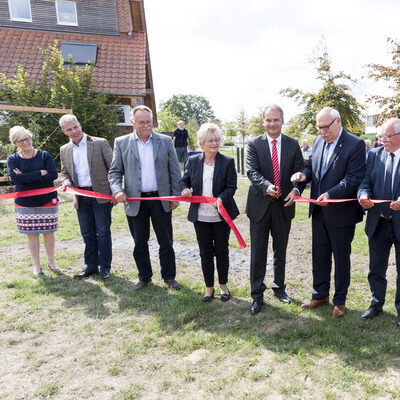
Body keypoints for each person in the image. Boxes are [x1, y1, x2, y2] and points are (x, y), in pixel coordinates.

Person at [292, 107, 365, 318]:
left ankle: (339, 301)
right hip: (318, 210)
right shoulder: (318, 141)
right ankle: (320, 294)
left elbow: (352, 178)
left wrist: (330, 194)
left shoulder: (355, 144)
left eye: (326, 127)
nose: (323, 132)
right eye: (319, 128)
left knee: (341, 258)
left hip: (341, 212)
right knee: (320, 254)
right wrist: (302, 174)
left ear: (338, 121)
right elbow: (312, 166)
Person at [358, 118, 400, 329]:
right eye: (381, 136)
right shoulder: (373, 155)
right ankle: (376, 303)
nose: (383, 140)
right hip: (378, 222)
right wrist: (363, 195)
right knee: (376, 268)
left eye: (387, 136)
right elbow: (365, 182)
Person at [108, 105, 182, 291]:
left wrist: (175, 195)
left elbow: (174, 170)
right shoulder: (121, 142)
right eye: (142, 122)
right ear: (133, 123)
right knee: (139, 242)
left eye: (149, 122)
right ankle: (144, 277)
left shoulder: (165, 141)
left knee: (165, 241)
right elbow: (115, 172)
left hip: (161, 199)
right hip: (135, 201)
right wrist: (117, 191)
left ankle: (169, 276)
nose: (146, 125)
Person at [245, 104, 304, 315]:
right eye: (268, 120)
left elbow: (301, 171)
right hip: (260, 206)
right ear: (263, 122)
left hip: (284, 206)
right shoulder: (253, 144)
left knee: (281, 250)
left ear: (282, 121)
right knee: (258, 252)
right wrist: (266, 186)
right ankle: (257, 294)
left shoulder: (292, 144)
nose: (272, 124)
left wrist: (297, 188)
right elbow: (251, 171)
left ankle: (279, 288)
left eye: (276, 120)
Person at [181, 123, 239, 302]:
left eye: (217, 140)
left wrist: (221, 198)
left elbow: (231, 187)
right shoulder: (192, 161)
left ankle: (223, 285)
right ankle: (209, 287)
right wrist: (185, 190)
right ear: (201, 143)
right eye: (210, 140)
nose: (214, 143)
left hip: (221, 216)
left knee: (222, 251)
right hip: (200, 216)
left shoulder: (228, 162)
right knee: (205, 252)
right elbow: (184, 181)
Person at [59, 114, 114, 280]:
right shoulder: (64, 150)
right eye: (69, 129)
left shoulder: (99, 143)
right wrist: (67, 183)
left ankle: (105, 267)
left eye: (75, 127)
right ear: (64, 131)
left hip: (101, 196)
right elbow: (65, 172)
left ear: (80, 125)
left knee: (102, 233)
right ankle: (90, 266)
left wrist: (115, 192)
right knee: (87, 234)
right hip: (80, 197)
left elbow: (113, 169)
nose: (74, 131)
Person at [7, 126, 59, 275]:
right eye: (20, 140)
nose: (25, 142)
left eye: (27, 138)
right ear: (15, 143)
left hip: (47, 199)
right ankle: (37, 266)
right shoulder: (13, 159)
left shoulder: (44, 155)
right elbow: (15, 178)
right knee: (32, 234)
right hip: (25, 202)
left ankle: (51, 262)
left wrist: (26, 177)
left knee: (49, 232)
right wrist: (40, 173)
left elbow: (53, 175)